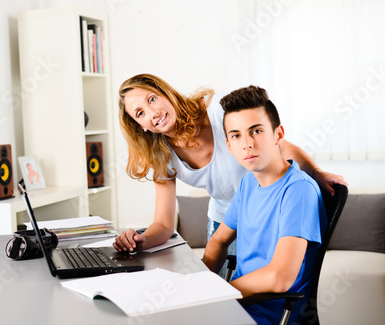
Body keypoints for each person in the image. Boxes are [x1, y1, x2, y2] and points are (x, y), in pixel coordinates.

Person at [113, 73, 345, 254]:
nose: (152, 112)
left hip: (266, 211)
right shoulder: (161, 155)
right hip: (225, 219)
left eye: (152, 99)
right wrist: (140, 241)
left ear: (165, 93)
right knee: (224, 295)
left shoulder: (217, 110)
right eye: (140, 113)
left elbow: (277, 144)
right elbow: (163, 225)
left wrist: (316, 172)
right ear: (140, 126)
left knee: (264, 293)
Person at [202, 85, 327, 324]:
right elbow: (219, 239)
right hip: (237, 308)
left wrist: (220, 293)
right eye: (236, 135)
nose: (247, 144)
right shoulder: (249, 183)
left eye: (256, 131)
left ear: (278, 134)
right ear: (229, 145)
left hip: (267, 316)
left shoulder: (298, 191)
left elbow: (279, 277)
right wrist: (199, 286)